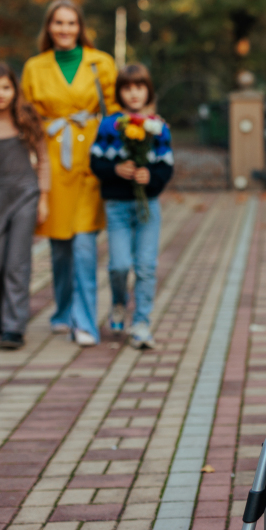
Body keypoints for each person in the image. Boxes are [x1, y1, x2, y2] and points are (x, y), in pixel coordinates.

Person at [21, 0, 117, 347]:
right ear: (49, 28)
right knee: (60, 245)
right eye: (58, 23)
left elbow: (116, 111)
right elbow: (27, 117)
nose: (64, 29)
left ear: (80, 27)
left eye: (71, 23)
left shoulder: (101, 63)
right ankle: (62, 311)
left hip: (90, 161)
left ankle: (85, 321)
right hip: (52, 160)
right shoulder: (35, 67)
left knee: (84, 244)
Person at [89, 63, 174, 350]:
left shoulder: (158, 127)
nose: (134, 93)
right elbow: (96, 162)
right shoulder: (109, 125)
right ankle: (118, 302)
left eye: (139, 87)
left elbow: (165, 167)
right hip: (117, 207)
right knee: (119, 266)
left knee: (146, 267)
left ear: (147, 90)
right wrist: (116, 169)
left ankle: (141, 324)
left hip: (147, 206)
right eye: (127, 87)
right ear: (119, 92)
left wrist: (150, 178)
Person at [0, 62, 50, 350]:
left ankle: (14, 327)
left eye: (6, 87)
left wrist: (44, 198)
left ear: (15, 90)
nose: (1, 93)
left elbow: (44, 160)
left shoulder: (27, 120)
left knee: (17, 264)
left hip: (25, 196)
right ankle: (2, 311)